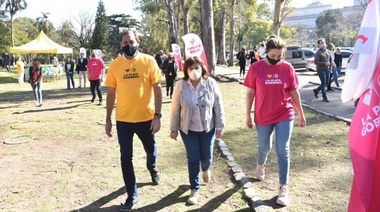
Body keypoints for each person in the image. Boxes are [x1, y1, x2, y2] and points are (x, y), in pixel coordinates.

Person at [243, 35, 306, 206]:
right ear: (266, 53)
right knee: (265, 147)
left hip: (284, 113)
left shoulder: (287, 68)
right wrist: (248, 114)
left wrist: (300, 113)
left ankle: (283, 187)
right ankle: (260, 164)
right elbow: (250, 93)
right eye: (273, 56)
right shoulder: (256, 68)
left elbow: (294, 92)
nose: (277, 60)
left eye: (280, 56)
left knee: (282, 149)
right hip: (263, 115)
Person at [104, 29, 162, 211]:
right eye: (125, 42)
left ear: (138, 41)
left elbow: (158, 88)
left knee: (150, 150)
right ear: (120, 44)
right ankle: (132, 194)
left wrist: (157, 116)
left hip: (146, 119)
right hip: (124, 120)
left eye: (131, 41)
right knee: (125, 157)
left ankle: (152, 168)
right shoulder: (115, 65)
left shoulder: (148, 61)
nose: (128, 45)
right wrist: (108, 119)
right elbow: (111, 92)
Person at [169, 56, 225, 205]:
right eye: (191, 68)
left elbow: (218, 105)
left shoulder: (210, 83)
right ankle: (195, 188)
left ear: (202, 68)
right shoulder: (180, 85)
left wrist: (220, 126)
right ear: (187, 70)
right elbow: (175, 108)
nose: (194, 71)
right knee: (193, 158)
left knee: (206, 157)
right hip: (188, 129)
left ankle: (205, 169)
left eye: (197, 68)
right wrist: (173, 128)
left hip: (208, 128)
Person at [312, 38, 331, 102]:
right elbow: (316, 62)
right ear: (319, 45)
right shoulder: (318, 52)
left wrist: (333, 64)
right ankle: (324, 97)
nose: (323, 44)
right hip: (321, 69)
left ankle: (317, 90)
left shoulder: (328, 51)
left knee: (327, 83)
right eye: (321, 43)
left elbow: (330, 59)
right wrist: (325, 63)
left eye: (324, 42)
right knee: (323, 83)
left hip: (327, 69)